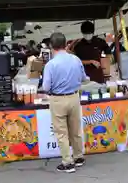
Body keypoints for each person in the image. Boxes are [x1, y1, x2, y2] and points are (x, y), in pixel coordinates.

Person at [42, 32, 88, 173]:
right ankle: (79, 156)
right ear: (66, 43)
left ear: (51, 46)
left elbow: (46, 87)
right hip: (74, 97)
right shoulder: (76, 60)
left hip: (58, 100)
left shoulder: (50, 65)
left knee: (62, 133)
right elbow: (83, 78)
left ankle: (68, 162)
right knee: (75, 130)